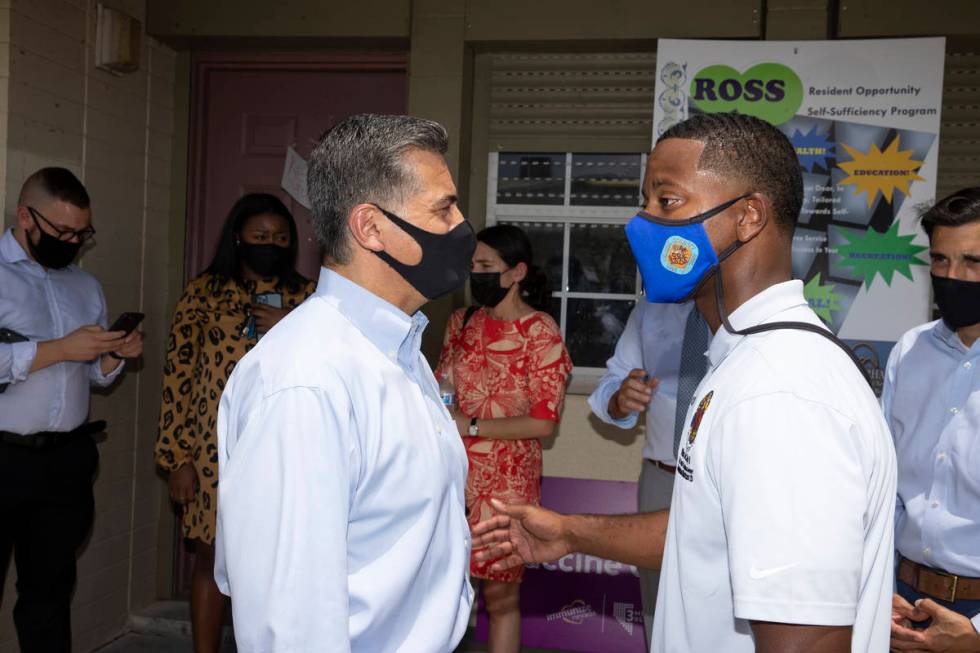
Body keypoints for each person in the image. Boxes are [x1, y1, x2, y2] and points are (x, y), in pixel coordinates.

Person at [472, 112, 897, 653]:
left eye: (667, 202)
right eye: (645, 200)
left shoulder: (781, 392)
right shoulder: (742, 361)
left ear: (748, 217)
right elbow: (708, 531)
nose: (642, 222)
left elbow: (807, 637)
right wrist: (571, 532)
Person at [214, 114, 475, 652]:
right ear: (371, 228)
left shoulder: (400, 350)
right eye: (443, 209)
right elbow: (288, 622)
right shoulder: (306, 383)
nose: (461, 225)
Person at [155, 193, 315, 653]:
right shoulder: (202, 294)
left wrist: (289, 324)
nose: (271, 245)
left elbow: (331, 369)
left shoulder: (308, 299)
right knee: (211, 557)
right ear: (237, 239)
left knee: (274, 563)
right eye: (260, 237)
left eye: (281, 238)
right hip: (211, 452)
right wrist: (176, 459)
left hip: (286, 451)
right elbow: (177, 378)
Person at [0, 167, 143, 652]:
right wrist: (61, 348)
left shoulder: (85, 285)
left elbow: (93, 376)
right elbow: (59, 355)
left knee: (49, 595)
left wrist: (111, 357)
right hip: (3, 456)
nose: (73, 241)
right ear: (25, 216)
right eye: (63, 232)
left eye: (82, 233)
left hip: (64, 462)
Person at [436, 224, 572, 653]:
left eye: (485, 266)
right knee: (442, 591)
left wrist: (472, 426)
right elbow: (443, 388)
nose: (475, 274)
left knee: (499, 596)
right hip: (451, 474)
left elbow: (543, 423)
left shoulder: (540, 331)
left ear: (516, 273)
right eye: (471, 265)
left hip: (506, 482)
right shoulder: (462, 321)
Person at [884, 188, 980, 653]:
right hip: (904, 605)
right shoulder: (910, 351)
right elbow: (886, 489)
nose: (952, 277)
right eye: (940, 260)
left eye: (973, 263)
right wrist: (880, 592)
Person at [587, 297, 708, 645]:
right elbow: (612, 382)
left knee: (720, 600)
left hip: (725, 483)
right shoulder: (650, 310)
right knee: (657, 597)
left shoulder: (741, 306)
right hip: (661, 478)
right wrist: (620, 398)